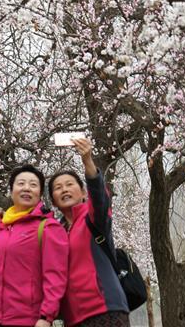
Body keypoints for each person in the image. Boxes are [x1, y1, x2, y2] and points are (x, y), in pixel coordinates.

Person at [0, 164, 69, 327]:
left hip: (30, 320)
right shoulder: (2, 226)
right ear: (11, 190)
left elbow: (56, 275)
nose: (27, 188)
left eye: (33, 185)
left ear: (40, 193)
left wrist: (46, 317)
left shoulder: (48, 227)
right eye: (21, 183)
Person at [49, 138, 130, 327]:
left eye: (70, 184)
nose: (65, 189)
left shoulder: (93, 217)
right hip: (73, 316)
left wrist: (87, 161)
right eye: (58, 188)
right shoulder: (54, 233)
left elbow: (100, 198)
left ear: (83, 192)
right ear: (53, 201)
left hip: (106, 308)